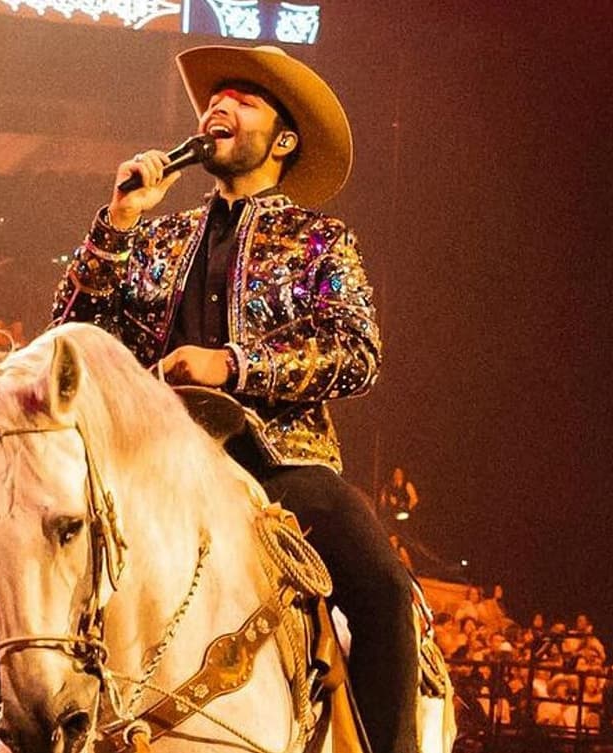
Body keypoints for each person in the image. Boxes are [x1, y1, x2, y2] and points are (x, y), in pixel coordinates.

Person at [52, 44, 415, 753]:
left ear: (283, 141)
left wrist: (234, 365)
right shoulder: (155, 238)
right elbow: (69, 343)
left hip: (282, 471)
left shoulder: (319, 242)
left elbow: (358, 352)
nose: (220, 105)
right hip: (154, 465)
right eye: (216, 98)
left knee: (385, 592)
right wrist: (118, 222)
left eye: (244, 100)